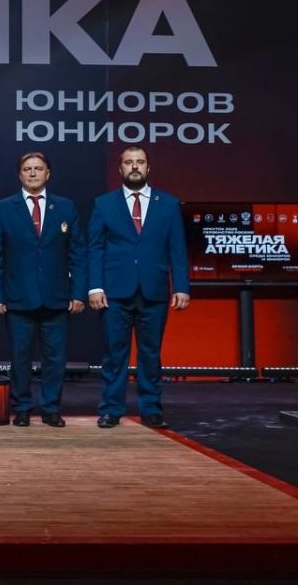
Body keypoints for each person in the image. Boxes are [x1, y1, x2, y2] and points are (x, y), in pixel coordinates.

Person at [88, 145, 190, 430]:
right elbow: (94, 248)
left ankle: (151, 410)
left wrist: (181, 286)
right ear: (120, 168)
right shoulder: (104, 204)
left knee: (150, 355)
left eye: (140, 162)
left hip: (154, 290)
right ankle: (111, 410)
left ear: (148, 168)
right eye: (129, 162)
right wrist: (95, 287)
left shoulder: (168, 203)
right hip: (114, 292)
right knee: (114, 355)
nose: (134, 166)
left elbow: (177, 249)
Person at [0, 153, 86, 427]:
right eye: (27, 169)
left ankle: (51, 409)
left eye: (38, 168)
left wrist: (78, 293)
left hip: (57, 297)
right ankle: (22, 408)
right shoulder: (4, 208)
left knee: (55, 359)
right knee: (20, 358)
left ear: (48, 174)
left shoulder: (66, 208)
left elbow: (78, 254)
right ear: (20, 175)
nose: (32, 173)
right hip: (17, 298)